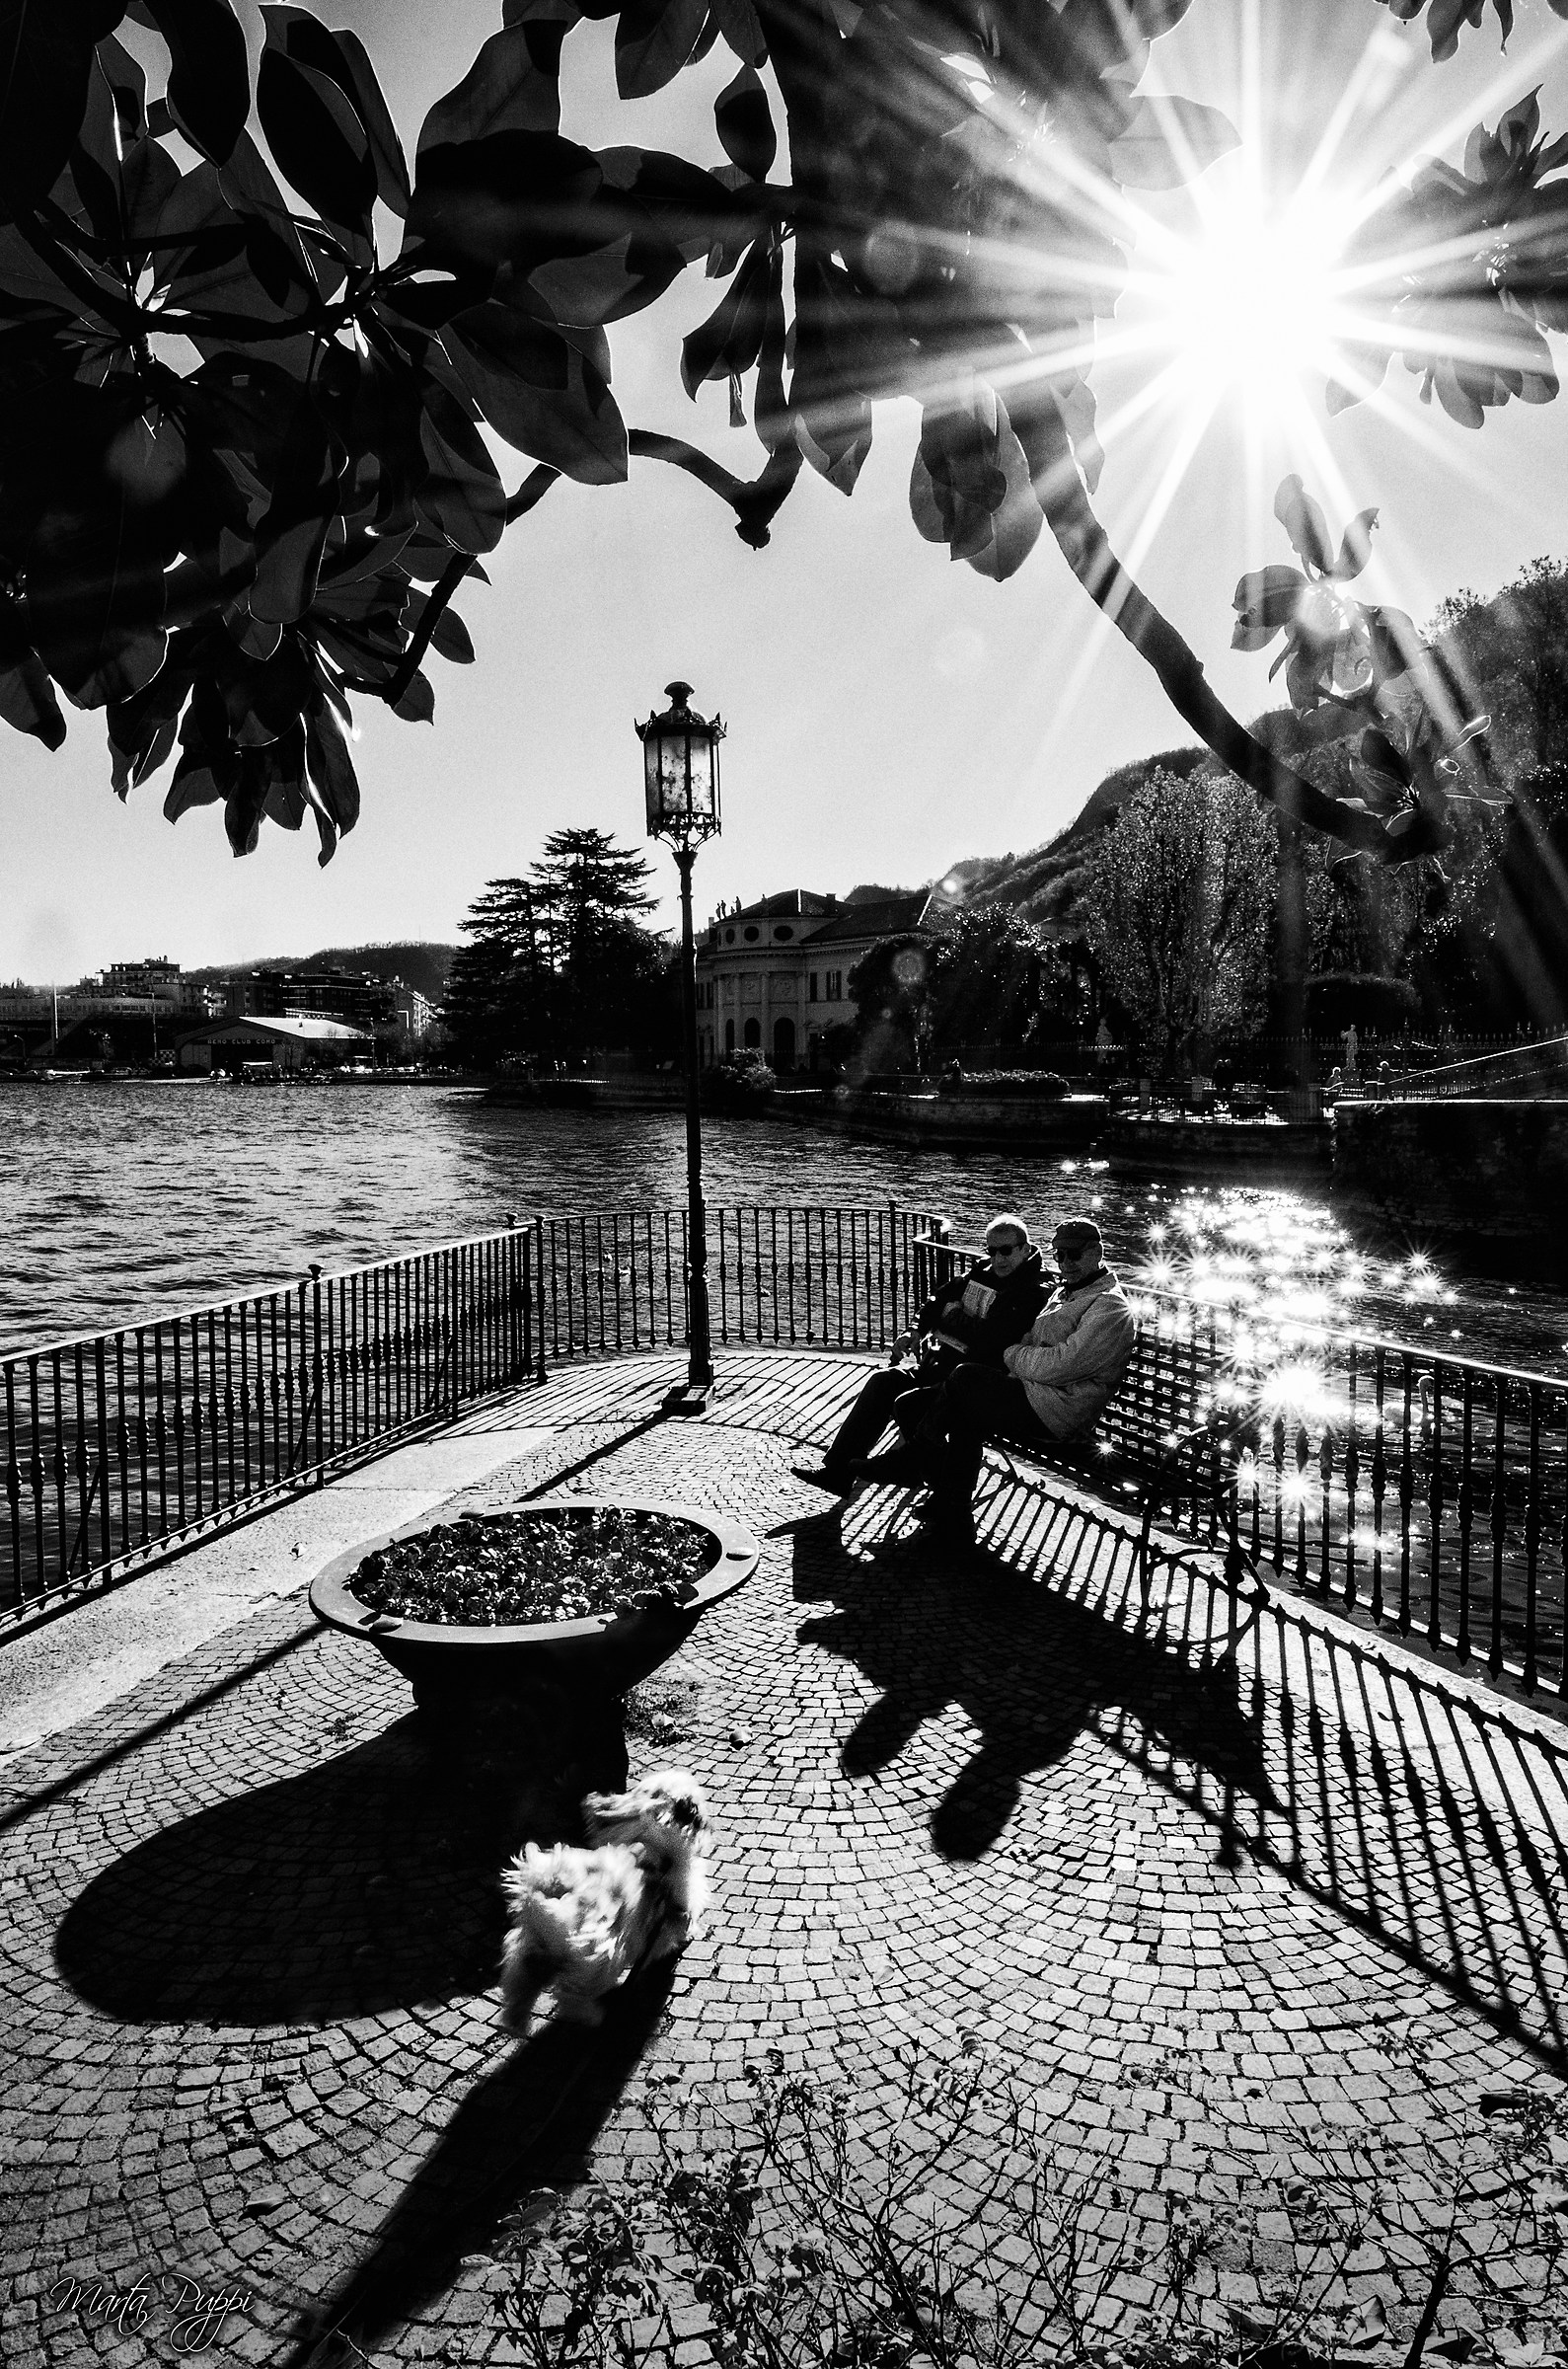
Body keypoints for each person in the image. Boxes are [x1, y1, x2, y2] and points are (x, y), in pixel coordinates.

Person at [918, 1216, 1137, 1547]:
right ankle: (952, 1513)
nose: (1065, 1263)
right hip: (1035, 1395)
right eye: (1058, 1255)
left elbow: (1061, 1365)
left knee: (966, 1379)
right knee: (956, 1410)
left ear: (1097, 1253)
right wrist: (1020, 1353)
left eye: (1074, 1255)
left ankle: (924, 1470)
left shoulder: (1109, 1306)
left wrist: (1011, 1355)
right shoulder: (1067, 1293)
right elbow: (1033, 1344)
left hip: (1060, 1411)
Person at [792, 1213, 1048, 1493]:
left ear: (1025, 1248)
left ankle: (936, 1488)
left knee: (911, 1403)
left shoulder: (1034, 1291)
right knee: (884, 1381)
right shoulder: (982, 1270)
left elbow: (991, 1340)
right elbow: (938, 1300)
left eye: (1006, 1250)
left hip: (971, 1382)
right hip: (941, 1366)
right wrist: (914, 1330)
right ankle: (838, 1472)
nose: (998, 1258)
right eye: (991, 1250)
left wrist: (952, 1317)